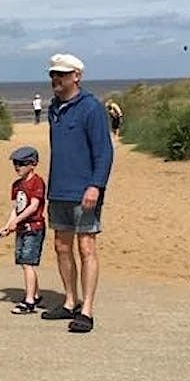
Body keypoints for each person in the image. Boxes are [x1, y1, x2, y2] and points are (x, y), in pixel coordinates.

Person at [41, 54, 113, 333]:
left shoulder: (92, 108)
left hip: (85, 191)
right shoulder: (54, 108)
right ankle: (69, 301)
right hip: (58, 188)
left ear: (76, 76)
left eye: (61, 74)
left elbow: (104, 151)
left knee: (86, 248)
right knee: (61, 246)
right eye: (52, 74)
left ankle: (87, 310)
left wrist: (96, 185)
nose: (55, 79)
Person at [0, 146, 47, 315]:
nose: (17, 167)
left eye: (21, 163)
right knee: (25, 263)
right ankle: (35, 294)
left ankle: (29, 302)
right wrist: (8, 224)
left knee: (28, 263)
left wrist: (17, 221)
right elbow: (16, 208)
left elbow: (33, 207)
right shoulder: (17, 185)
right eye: (15, 164)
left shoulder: (37, 182)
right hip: (21, 229)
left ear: (33, 164)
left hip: (34, 228)